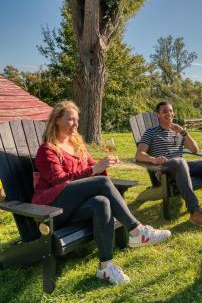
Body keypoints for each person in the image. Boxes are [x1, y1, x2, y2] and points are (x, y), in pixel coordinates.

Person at [33, 101, 171, 285]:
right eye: (70, 119)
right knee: (103, 182)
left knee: (101, 203)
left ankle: (105, 267)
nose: (76, 123)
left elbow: (92, 168)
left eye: (77, 119)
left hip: (75, 207)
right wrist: (95, 170)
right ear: (57, 120)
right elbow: (59, 180)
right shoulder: (47, 150)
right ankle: (137, 231)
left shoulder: (77, 145)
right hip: (52, 211)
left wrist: (103, 165)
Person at [135, 101, 202, 228]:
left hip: (182, 167)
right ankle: (195, 212)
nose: (169, 114)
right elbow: (139, 154)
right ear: (157, 115)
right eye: (165, 111)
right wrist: (153, 159)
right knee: (180, 161)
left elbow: (195, 150)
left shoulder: (178, 131)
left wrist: (183, 132)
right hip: (164, 169)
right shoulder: (151, 132)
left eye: (170, 111)